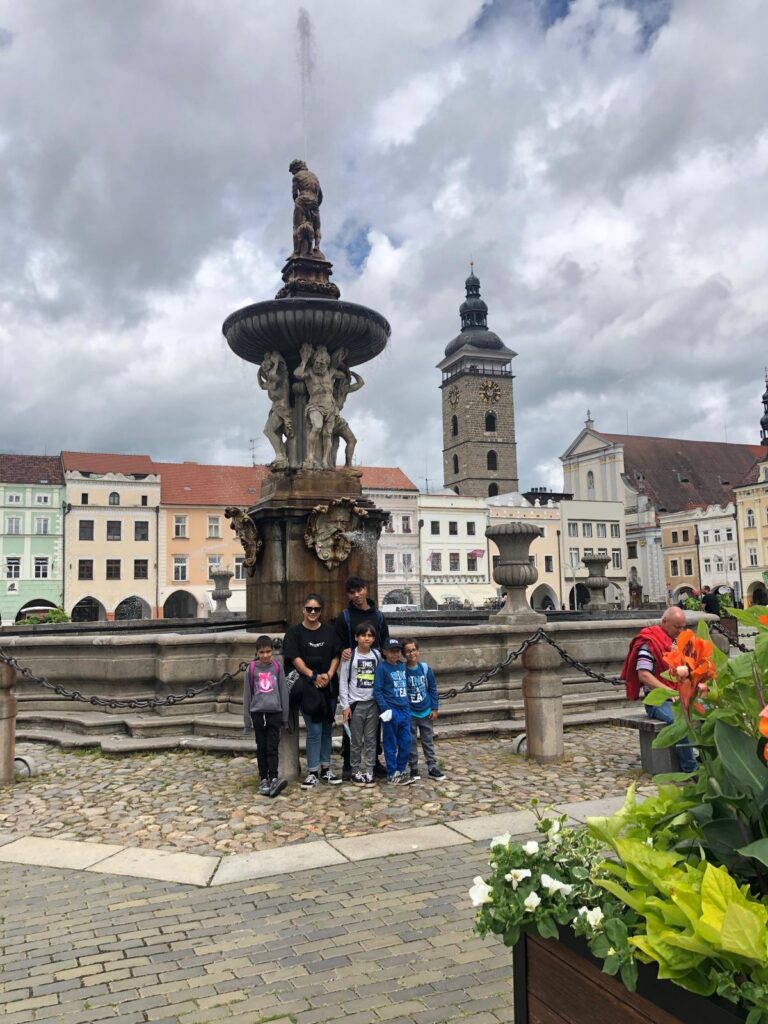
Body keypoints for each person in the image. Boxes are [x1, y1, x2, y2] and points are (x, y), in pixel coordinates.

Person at [620, 606, 698, 773]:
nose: (680, 631)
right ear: (664, 622)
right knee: (679, 721)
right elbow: (644, 675)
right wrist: (668, 692)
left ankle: (710, 761)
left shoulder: (678, 641)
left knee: (711, 713)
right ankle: (691, 768)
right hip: (659, 700)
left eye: (683, 627)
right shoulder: (650, 643)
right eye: (677, 627)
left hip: (682, 695)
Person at [282, 594, 342, 789]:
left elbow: (336, 655)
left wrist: (329, 675)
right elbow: (294, 658)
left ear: (321, 611)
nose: (313, 612)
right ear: (303, 610)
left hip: (329, 685)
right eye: (309, 609)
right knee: (314, 729)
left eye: (316, 609)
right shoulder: (294, 632)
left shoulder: (330, 631)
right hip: (307, 687)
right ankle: (313, 771)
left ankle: (326, 768)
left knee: (327, 729)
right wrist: (313, 676)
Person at [335, 575, 390, 779]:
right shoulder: (345, 616)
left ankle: (373, 761)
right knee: (351, 724)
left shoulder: (378, 616)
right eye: (352, 592)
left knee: (374, 726)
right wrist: (342, 650)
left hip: (374, 674)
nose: (357, 595)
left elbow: (385, 640)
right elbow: (338, 640)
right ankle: (348, 764)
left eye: (359, 590)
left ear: (366, 589)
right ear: (348, 595)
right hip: (354, 675)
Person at [243, 636, 290, 798]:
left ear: (272, 651)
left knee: (272, 747)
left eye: (268, 651)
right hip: (258, 713)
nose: (265, 655)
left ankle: (274, 777)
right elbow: (247, 695)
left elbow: (283, 692)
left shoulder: (277, 667)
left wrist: (285, 717)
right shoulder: (251, 669)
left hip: (274, 712)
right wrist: (247, 720)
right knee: (261, 747)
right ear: (256, 652)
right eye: (262, 652)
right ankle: (263, 778)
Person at [339, 621, 380, 785]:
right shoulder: (350, 656)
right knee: (355, 741)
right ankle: (354, 770)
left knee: (371, 740)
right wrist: (345, 705)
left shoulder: (377, 655)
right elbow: (343, 680)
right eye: (363, 635)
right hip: (355, 704)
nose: (366, 638)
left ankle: (369, 771)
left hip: (373, 703)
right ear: (356, 637)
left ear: (374, 638)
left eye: (370, 636)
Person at [402, 639, 445, 782]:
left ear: (418, 651)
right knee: (410, 741)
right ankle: (413, 767)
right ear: (403, 654)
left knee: (428, 740)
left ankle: (432, 766)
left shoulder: (425, 668)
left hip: (426, 711)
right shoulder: (402, 670)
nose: (411, 654)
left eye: (413, 650)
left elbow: (432, 688)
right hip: (410, 712)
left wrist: (434, 708)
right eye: (408, 651)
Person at [373, 638, 413, 785]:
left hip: (404, 710)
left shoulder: (402, 666)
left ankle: (400, 770)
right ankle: (392, 773)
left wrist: (408, 705)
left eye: (397, 651)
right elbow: (377, 690)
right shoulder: (382, 668)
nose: (395, 654)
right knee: (390, 743)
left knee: (406, 742)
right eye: (391, 651)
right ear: (384, 652)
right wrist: (386, 709)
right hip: (391, 711)